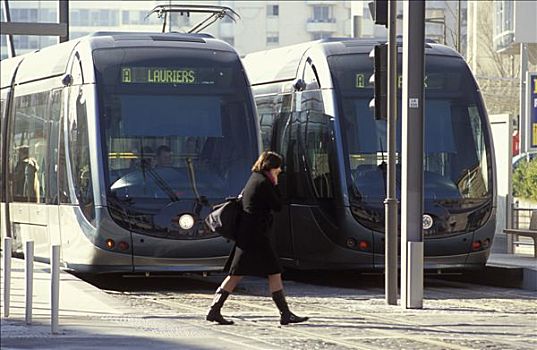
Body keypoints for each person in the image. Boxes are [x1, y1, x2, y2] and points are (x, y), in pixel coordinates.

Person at [206, 151, 309, 326]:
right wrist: (276, 184)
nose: (280, 171)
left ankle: (215, 309)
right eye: (278, 168)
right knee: (264, 272)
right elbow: (277, 205)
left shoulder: (254, 179)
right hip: (257, 237)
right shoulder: (263, 183)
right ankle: (284, 313)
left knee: (247, 273)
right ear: (271, 167)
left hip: (250, 236)